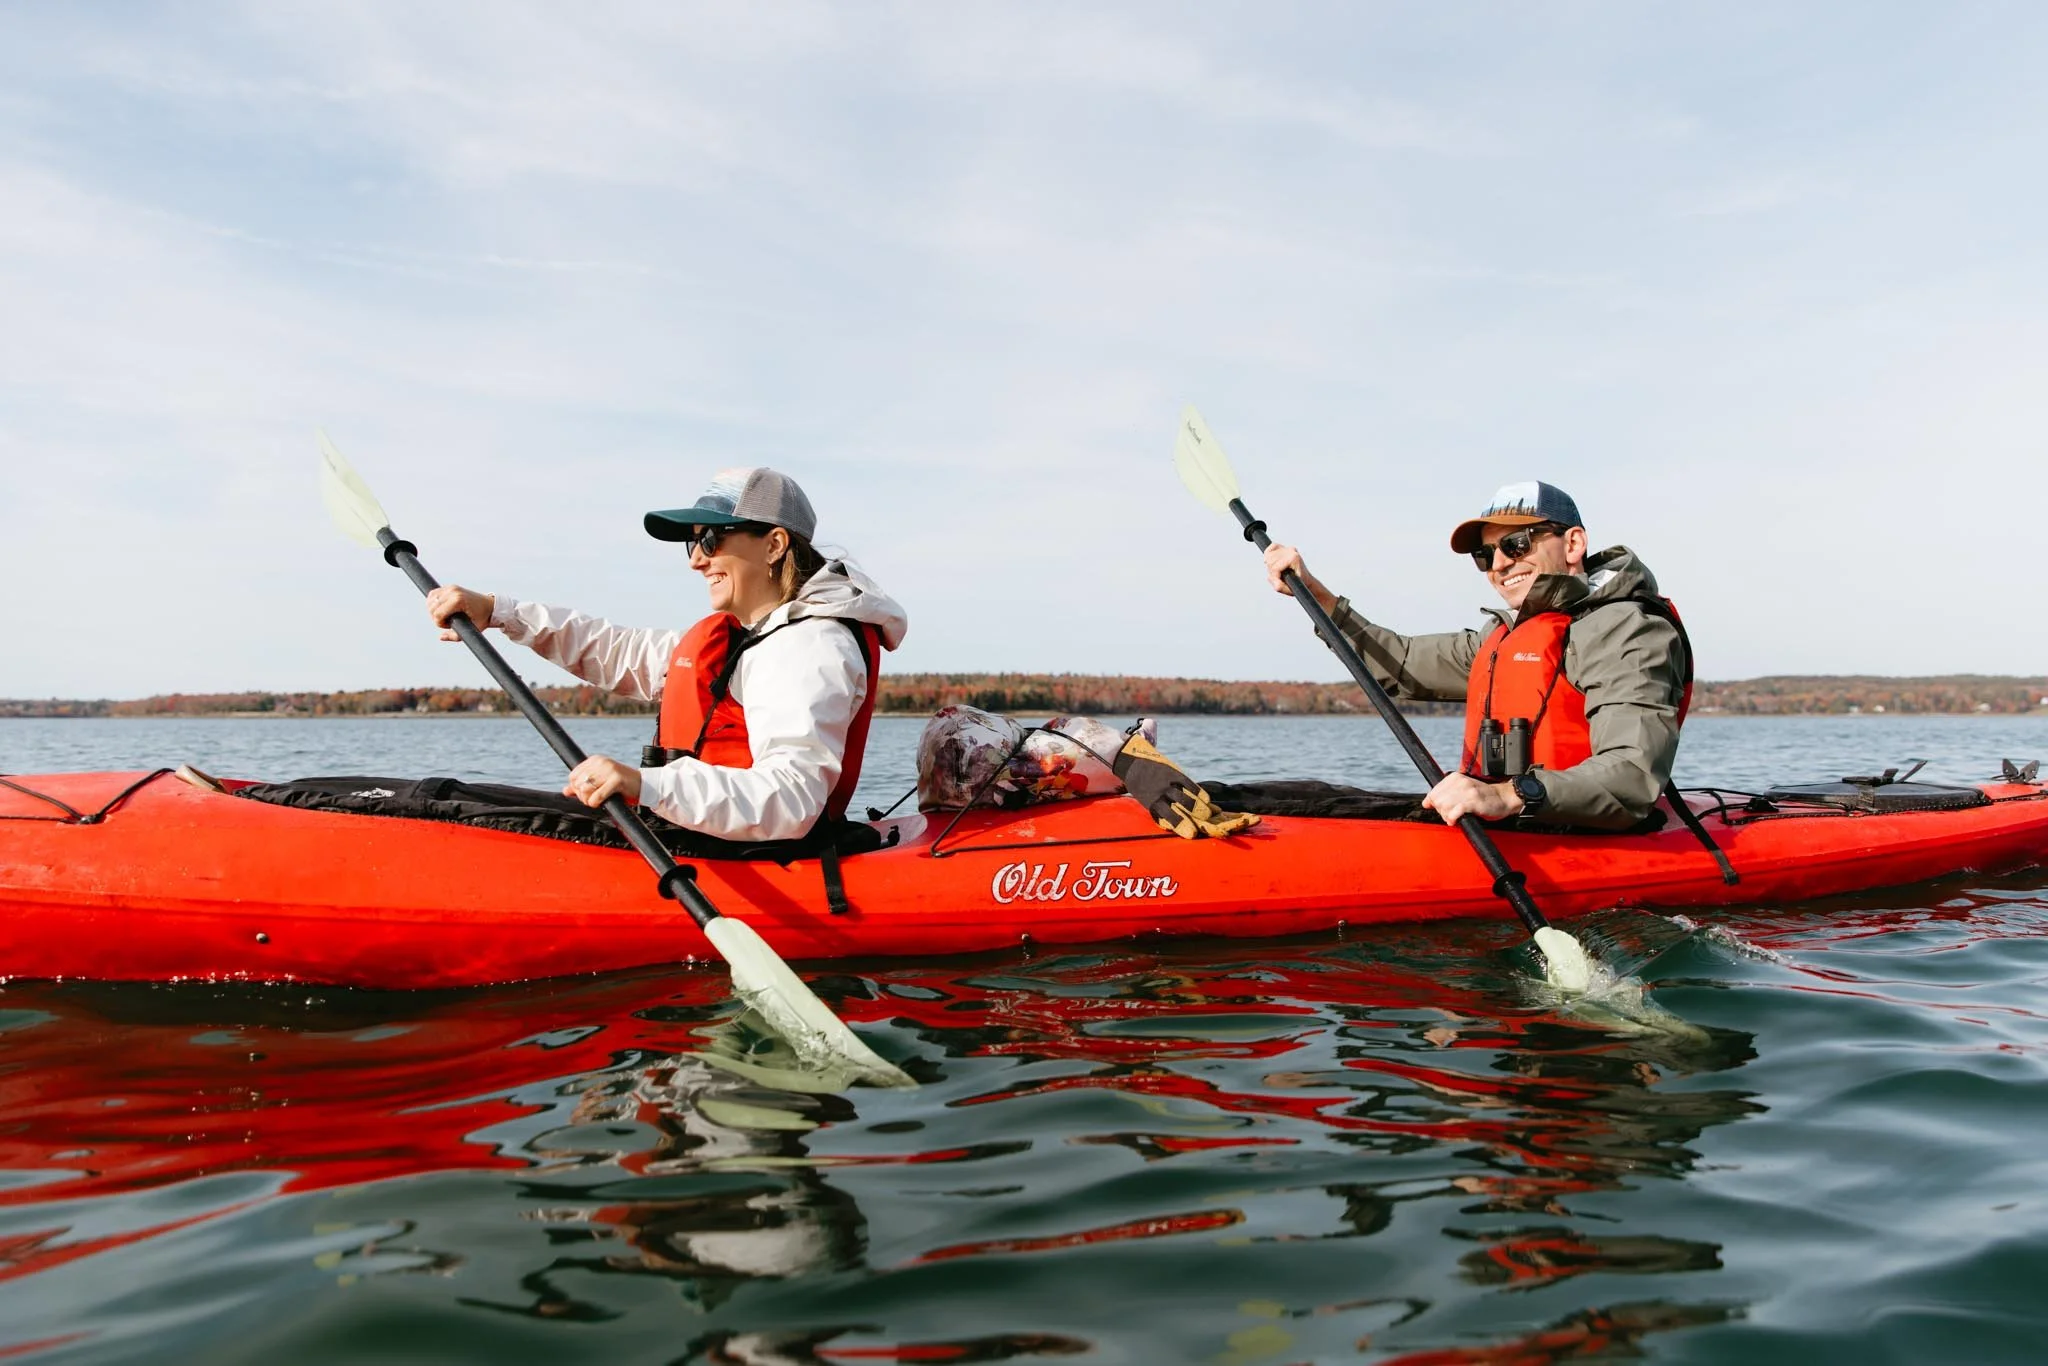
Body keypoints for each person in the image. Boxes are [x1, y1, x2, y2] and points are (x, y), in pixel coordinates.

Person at [425, 467, 906, 845]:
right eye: (693, 542)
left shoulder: (809, 645)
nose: (696, 559)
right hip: (702, 836)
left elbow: (791, 799)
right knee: (447, 800)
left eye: (711, 539)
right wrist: (500, 612)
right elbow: (619, 651)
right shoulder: (752, 635)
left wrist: (646, 784)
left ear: (774, 545)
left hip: (748, 852)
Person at [1263, 481, 1690, 832]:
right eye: (1485, 555)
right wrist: (1314, 593)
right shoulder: (1503, 636)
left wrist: (1504, 795)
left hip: (1584, 835)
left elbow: (1631, 775)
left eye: (1516, 544)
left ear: (1573, 543)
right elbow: (1401, 662)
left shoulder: (1628, 631)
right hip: (1512, 826)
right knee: (1284, 798)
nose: (1499, 564)